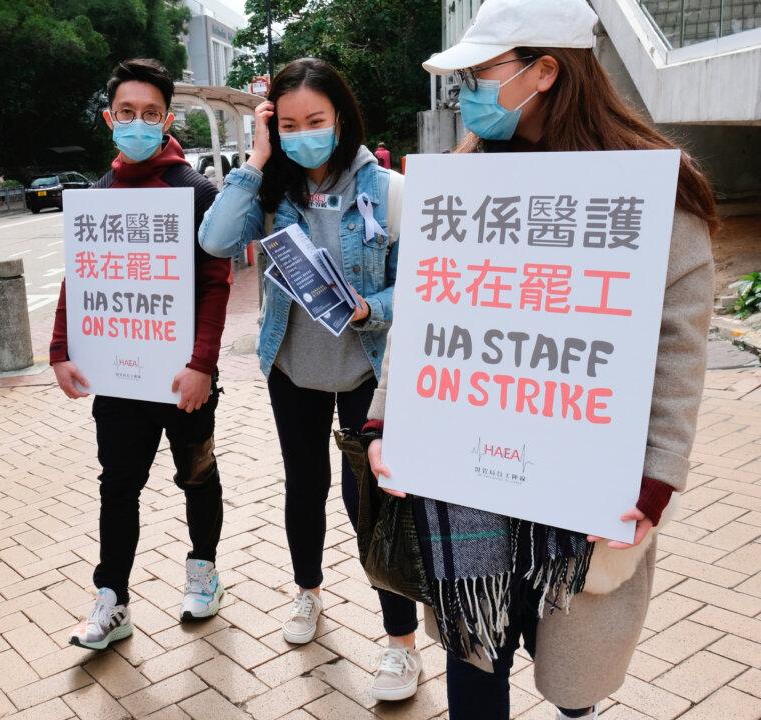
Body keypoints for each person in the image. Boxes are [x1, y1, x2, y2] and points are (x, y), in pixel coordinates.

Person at [364, 1, 717, 718]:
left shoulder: (645, 187)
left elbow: (679, 346)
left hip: (583, 480)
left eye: (480, 73)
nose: (466, 93)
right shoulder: (464, 180)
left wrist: (656, 481)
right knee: (474, 657)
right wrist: (383, 423)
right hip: (466, 480)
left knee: (573, 663)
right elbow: (425, 317)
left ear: (545, 71)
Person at [199, 58, 422, 702]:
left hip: (364, 366)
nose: (303, 134)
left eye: (314, 122)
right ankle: (307, 594)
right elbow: (214, 240)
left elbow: (418, 285)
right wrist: (258, 158)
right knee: (305, 487)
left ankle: (400, 643)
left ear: (341, 119)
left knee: (370, 502)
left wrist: (370, 307)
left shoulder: (386, 189)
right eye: (288, 124)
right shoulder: (273, 188)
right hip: (293, 366)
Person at [49, 58, 232, 650]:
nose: (138, 122)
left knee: (197, 476)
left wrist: (202, 363)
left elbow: (216, 280)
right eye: (126, 113)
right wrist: (60, 349)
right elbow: (79, 277)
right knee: (117, 486)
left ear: (167, 118)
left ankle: (203, 570)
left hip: (182, 379)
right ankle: (112, 599)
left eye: (150, 113)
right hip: (119, 379)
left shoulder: (194, 189)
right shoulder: (101, 191)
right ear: (110, 119)